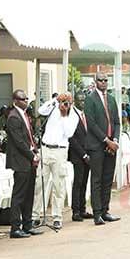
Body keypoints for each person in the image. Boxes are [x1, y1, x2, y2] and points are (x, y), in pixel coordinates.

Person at [32, 92, 78, 229]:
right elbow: (41, 111)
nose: (65, 104)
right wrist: (54, 100)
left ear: (72, 103)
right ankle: (35, 215)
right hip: (45, 148)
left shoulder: (73, 116)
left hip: (60, 150)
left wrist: (64, 115)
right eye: (64, 101)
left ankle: (57, 217)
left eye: (68, 101)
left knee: (59, 185)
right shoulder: (53, 108)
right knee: (40, 183)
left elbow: (69, 133)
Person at [5, 89, 43, 239]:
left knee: (29, 194)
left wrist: (35, 151)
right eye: (22, 99)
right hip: (21, 161)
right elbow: (19, 142)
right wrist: (31, 155)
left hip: (29, 160)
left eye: (26, 98)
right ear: (15, 101)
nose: (26, 101)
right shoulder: (13, 117)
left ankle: (27, 225)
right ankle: (15, 227)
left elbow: (28, 138)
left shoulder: (25, 115)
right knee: (19, 195)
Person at [85, 72, 121, 225]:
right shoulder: (90, 99)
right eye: (101, 80)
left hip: (111, 145)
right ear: (95, 81)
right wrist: (106, 140)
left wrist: (115, 140)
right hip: (96, 146)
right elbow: (91, 124)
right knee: (97, 179)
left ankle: (106, 210)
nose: (104, 83)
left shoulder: (112, 99)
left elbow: (117, 122)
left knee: (108, 179)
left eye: (106, 80)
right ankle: (97, 213)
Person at [68, 93, 93, 222]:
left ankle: (83, 209)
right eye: (80, 100)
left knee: (84, 182)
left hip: (88, 153)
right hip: (78, 155)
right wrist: (83, 154)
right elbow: (71, 138)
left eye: (84, 100)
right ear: (75, 101)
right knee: (77, 183)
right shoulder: (72, 115)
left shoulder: (86, 114)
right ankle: (75, 211)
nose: (83, 102)